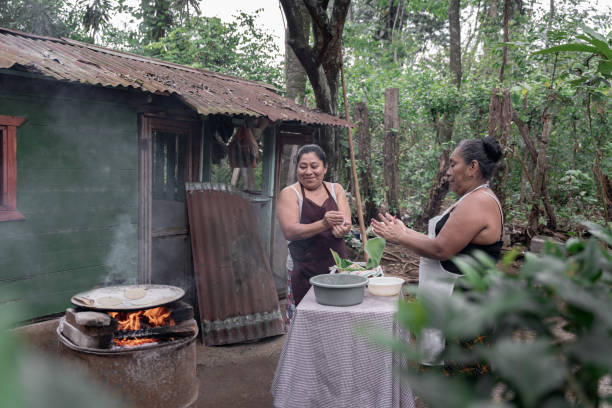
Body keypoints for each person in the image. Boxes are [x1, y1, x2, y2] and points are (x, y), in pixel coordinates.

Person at [371, 136, 504, 365]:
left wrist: (400, 237)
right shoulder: (470, 198)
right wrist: (405, 231)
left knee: (458, 374)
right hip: (449, 298)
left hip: (463, 302)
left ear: (473, 167)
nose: (448, 172)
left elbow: (442, 249)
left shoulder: (479, 201)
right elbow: (442, 240)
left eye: (453, 164)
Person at [276, 144, 351, 323]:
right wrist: (323, 224)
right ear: (297, 168)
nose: (308, 172)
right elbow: (290, 231)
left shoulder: (336, 189)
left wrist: (342, 230)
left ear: (325, 168)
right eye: (303, 167)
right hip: (303, 269)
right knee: (304, 322)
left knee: (336, 320)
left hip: (336, 269)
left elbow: (345, 222)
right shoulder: (290, 194)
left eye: (314, 166)